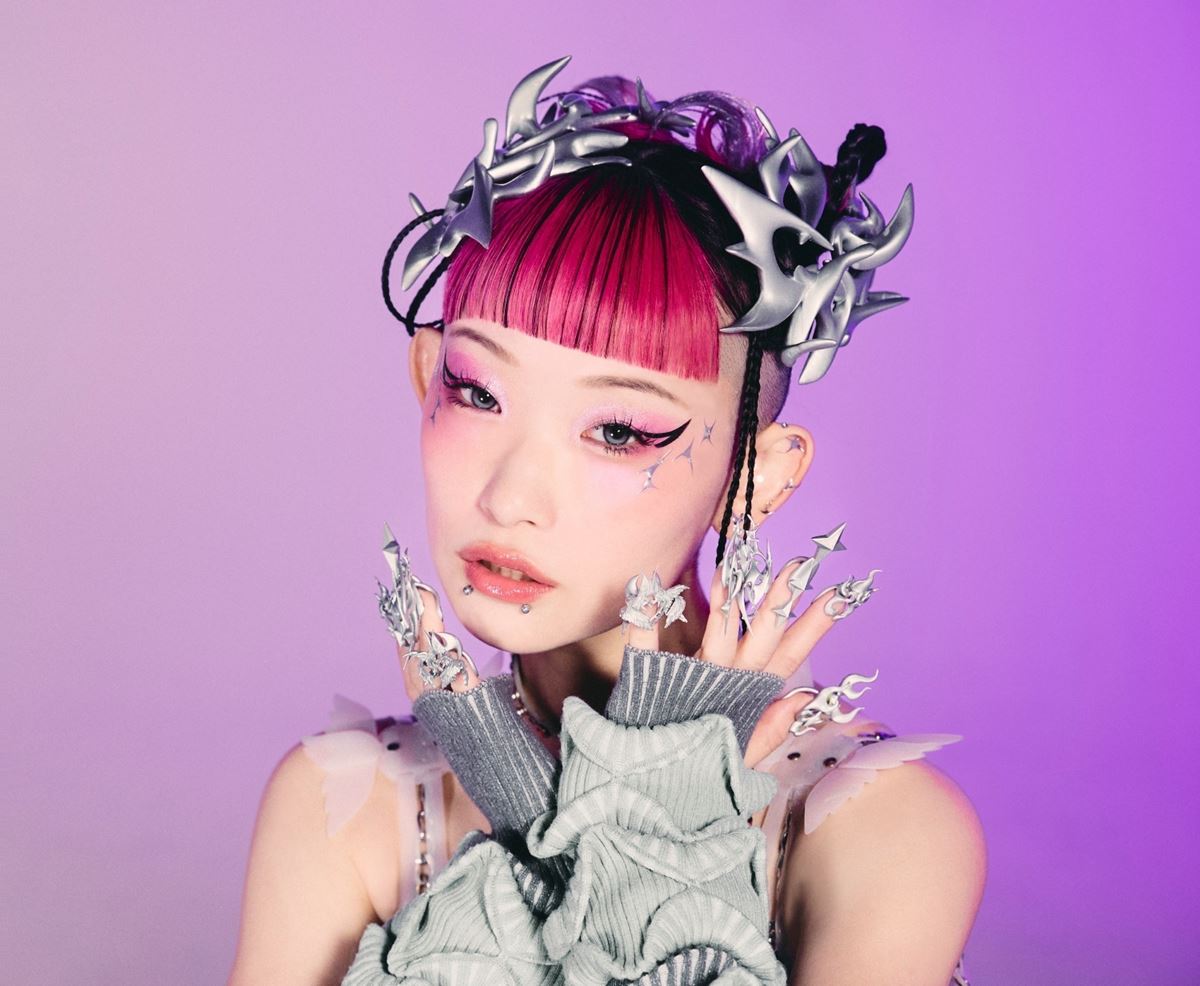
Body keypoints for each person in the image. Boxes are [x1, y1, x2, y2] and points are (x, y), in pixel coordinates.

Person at [228, 58, 986, 986]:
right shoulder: (340, 804)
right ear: (426, 378)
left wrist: (651, 816)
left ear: (756, 475)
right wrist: (528, 803)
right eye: (476, 391)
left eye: (619, 430)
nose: (511, 496)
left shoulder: (884, 830)